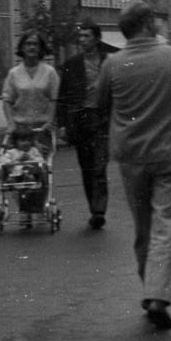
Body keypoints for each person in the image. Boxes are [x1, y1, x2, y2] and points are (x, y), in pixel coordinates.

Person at [95, 2, 171, 330]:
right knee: (164, 225)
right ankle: (156, 295)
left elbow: (100, 108)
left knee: (143, 227)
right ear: (149, 23)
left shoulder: (112, 64)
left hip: (131, 156)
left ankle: (151, 290)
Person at [58, 20, 111, 229]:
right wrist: (62, 125)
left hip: (102, 118)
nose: (82, 40)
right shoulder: (72, 64)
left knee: (99, 164)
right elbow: (63, 97)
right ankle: (94, 208)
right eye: (80, 36)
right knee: (87, 166)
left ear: (96, 39)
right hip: (80, 119)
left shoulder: (108, 62)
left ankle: (99, 210)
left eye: (87, 36)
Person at [2, 32, 59, 133]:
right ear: (22, 47)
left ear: (40, 48)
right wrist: (11, 123)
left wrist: (50, 121)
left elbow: (54, 99)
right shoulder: (13, 73)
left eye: (35, 44)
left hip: (44, 129)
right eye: (28, 44)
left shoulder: (50, 72)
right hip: (20, 130)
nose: (32, 47)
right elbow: (7, 100)